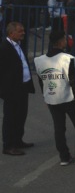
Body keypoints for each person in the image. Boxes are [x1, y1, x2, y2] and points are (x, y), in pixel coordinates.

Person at [34, 31, 75, 165]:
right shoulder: (67, 59)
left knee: (59, 128)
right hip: (68, 97)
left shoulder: (39, 60)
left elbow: (41, 81)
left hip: (51, 98)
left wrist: (46, 96)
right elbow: (73, 80)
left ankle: (64, 157)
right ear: (62, 41)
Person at [0, 22, 34, 156]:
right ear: (11, 33)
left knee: (21, 115)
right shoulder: (4, 48)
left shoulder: (18, 45)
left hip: (22, 86)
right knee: (10, 117)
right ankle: (8, 145)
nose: (23, 33)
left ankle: (18, 140)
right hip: (11, 90)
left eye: (23, 30)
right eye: (20, 31)